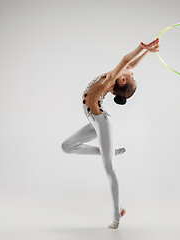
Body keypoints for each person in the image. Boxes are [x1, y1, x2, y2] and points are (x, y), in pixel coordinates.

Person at [62, 38, 160, 229]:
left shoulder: (109, 80)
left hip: (103, 124)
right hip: (95, 123)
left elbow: (126, 60)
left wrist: (142, 47)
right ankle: (108, 152)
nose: (132, 71)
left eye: (132, 76)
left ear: (122, 80)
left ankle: (117, 214)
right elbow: (130, 64)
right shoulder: (113, 78)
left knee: (109, 169)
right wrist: (147, 53)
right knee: (66, 146)